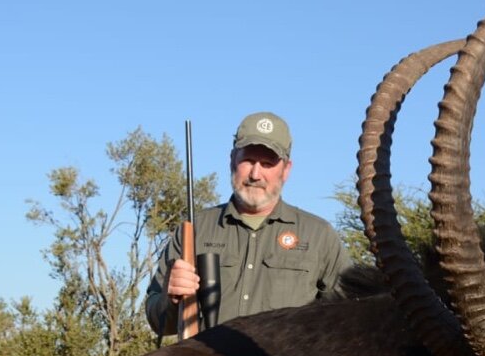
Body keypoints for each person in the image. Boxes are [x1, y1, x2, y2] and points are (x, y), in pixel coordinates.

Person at [145, 111, 351, 336]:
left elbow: (352, 317)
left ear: (286, 169)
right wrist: (170, 298)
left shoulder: (319, 235)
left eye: (267, 163)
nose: (255, 173)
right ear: (232, 160)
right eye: (248, 160)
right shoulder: (195, 229)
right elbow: (159, 323)